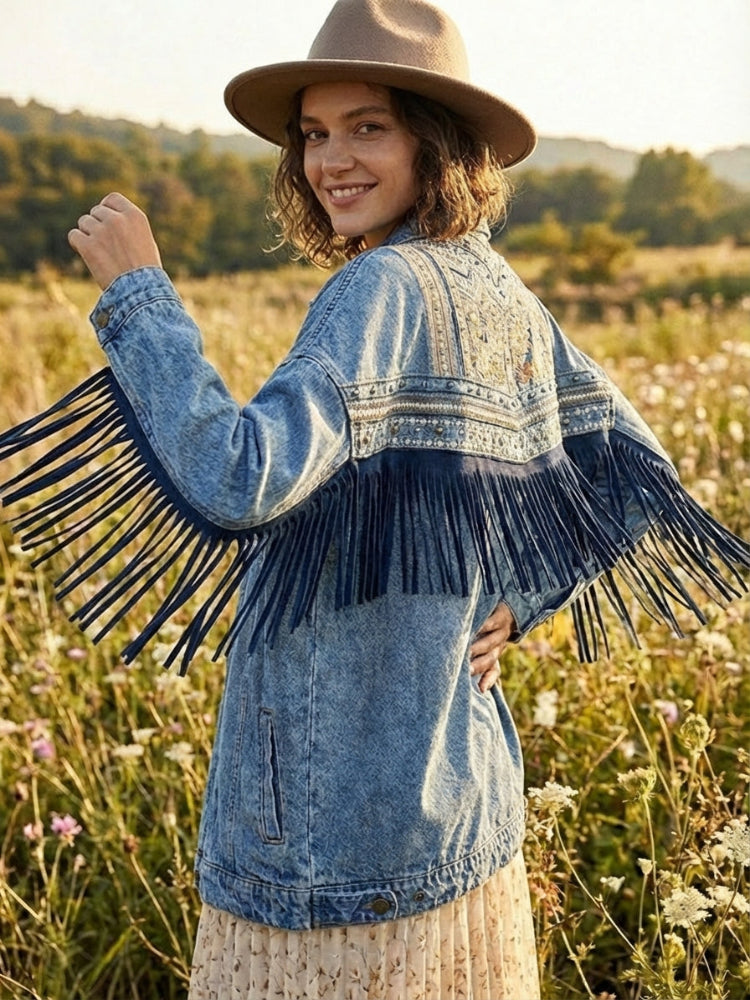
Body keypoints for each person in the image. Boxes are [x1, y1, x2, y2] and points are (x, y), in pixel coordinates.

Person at [1, 1, 748, 998]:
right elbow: (632, 469)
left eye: (368, 127)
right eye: (315, 133)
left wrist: (139, 294)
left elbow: (237, 479)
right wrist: (520, 601)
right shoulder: (496, 291)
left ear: (436, 143)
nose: (332, 160)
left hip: (331, 841)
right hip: (463, 810)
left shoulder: (383, 288)